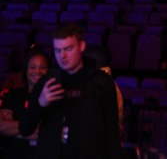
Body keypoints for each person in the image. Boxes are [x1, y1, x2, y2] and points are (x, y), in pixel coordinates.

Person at [18, 24, 123, 159]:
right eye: (57, 50)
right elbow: (25, 129)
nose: (62, 56)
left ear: (82, 46)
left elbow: (112, 133)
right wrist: (40, 104)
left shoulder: (101, 82)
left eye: (68, 49)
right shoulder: (48, 81)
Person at [0, 48, 49, 159]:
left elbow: (54, 132)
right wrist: (39, 129)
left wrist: (15, 130)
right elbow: (1, 126)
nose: (37, 71)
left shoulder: (54, 98)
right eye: (32, 67)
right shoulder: (11, 96)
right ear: (25, 70)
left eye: (42, 67)